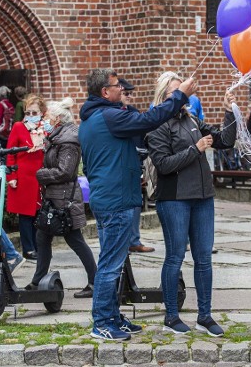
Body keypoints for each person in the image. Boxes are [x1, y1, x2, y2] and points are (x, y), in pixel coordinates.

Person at [79, 68, 197, 341]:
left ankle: (111, 316)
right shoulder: (109, 116)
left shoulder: (95, 116)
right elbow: (149, 120)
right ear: (104, 92)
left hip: (111, 196)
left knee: (114, 261)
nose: (122, 89)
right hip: (116, 199)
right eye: (116, 85)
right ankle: (102, 322)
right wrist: (179, 96)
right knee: (110, 264)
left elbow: (139, 130)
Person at [147, 72, 237, 336]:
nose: (186, 96)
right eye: (179, 91)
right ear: (166, 96)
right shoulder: (157, 124)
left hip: (202, 197)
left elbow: (224, 141)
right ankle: (171, 315)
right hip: (174, 198)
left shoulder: (191, 119)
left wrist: (229, 112)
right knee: (175, 256)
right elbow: (163, 164)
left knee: (203, 258)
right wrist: (195, 149)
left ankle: (205, 315)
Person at [27, 98, 97, 298]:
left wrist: (41, 174)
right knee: (42, 237)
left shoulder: (68, 140)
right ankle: (37, 280)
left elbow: (65, 171)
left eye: (48, 116)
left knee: (75, 240)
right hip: (55, 197)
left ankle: (95, 281)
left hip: (64, 199)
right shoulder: (58, 136)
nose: (45, 119)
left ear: (57, 119)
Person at [5, 94, 46, 261]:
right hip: (23, 176)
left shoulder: (46, 128)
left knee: (39, 214)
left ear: (42, 113)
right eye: (28, 112)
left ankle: (38, 246)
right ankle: (28, 248)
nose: (30, 116)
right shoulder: (18, 127)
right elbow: (10, 153)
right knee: (25, 215)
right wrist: (11, 176)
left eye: (34, 112)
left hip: (41, 176)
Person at [119, 78, 154, 254]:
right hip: (118, 167)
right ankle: (121, 241)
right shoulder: (112, 114)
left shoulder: (133, 112)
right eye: (126, 93)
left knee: (135, 203)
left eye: (131, 93)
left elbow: (141, 138)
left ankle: (133, 240)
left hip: (135, 164)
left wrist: (143, 163)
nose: (129, 96)